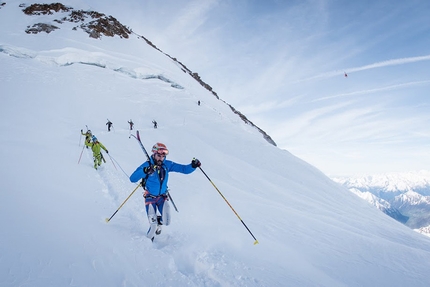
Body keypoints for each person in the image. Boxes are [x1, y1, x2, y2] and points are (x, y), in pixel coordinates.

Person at [129, 142, 201, 241]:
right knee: (153, 227)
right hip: (150, 198)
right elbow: (132, 178)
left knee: (167, 222)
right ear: (154, 154)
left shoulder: (167, 164)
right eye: (159, 156)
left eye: (163, 156)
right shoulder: (147, 165)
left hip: (162, 197)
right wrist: (145, 171)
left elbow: (183, 169)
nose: (161, 158)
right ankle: (147, 244)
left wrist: (193, 166)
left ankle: (159, 222)